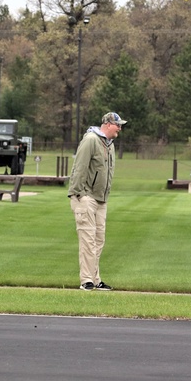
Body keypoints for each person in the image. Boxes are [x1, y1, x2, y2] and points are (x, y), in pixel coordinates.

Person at [68, 111, 126, 291]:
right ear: (108, 124)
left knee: (99, 240)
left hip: (101, 199)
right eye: (118, 125)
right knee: (88, 240)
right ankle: (86, 280)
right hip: (86, 197)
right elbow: (80, 168)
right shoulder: (91, 140)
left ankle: (95, 278)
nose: (120, 129)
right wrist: (79, 194)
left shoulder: (110, 144)